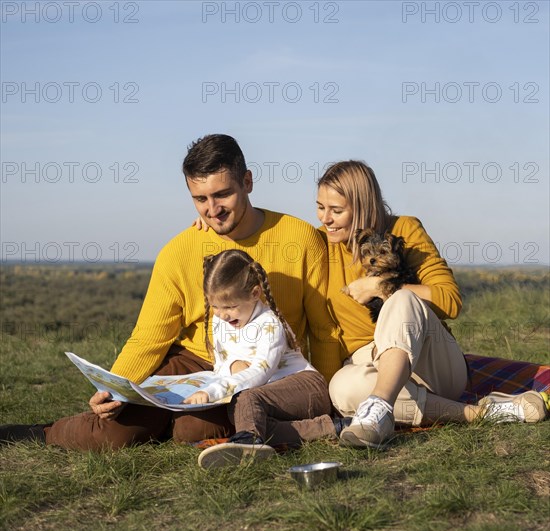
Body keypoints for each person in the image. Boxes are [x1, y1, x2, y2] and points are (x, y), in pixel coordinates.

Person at [0, 134, 340, 451]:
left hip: (263, 369)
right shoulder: (179, 251)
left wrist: (327, 396)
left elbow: (324, 330)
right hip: (194, 361)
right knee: (114, 433)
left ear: (247, 182)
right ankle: (38, 432)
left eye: (223, 194)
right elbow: (149, 337)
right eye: (200, 199)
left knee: (193, 429)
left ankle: (171, 422)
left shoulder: (300, 238)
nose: (212, 209)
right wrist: (113, 388)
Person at [316, 160, 548, 448]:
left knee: (401, 299)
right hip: (371, 366)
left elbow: (450, 301)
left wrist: (380, 286)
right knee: (342, 387)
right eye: (320, 207)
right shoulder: (320, 248)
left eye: (336, 211)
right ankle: (481, 412)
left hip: (430, 361)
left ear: (364, 207)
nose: (325, 218)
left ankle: (378, 407)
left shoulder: (405, 230)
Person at [185, 249, 333, 468]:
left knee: (245, 400)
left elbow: (260, 371)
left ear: (255, 294)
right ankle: (330, 428)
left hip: (306, 387)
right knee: (245, 411)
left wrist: (213, 391)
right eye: (214, 306)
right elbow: (221, 365)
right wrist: (234, 366)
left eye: (230, 307)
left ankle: (248, 444)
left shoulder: (269, 324)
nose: (222, 314)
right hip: (268, 399)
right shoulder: (221, 322)